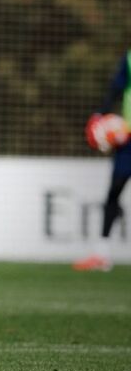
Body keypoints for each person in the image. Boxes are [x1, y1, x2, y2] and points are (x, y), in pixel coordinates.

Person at [79, 54, 131, 271]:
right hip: (128, 141)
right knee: (114, 192)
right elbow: (116, 88)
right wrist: (100, 115)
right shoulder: (130, 58)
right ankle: (102, 253)